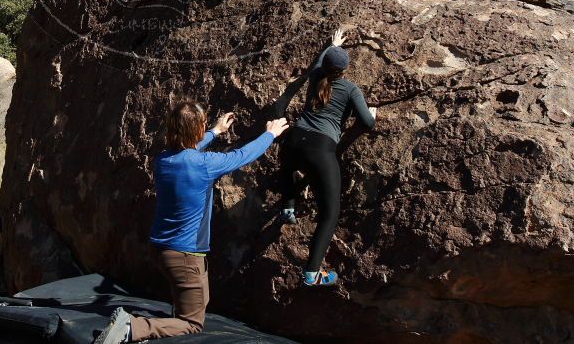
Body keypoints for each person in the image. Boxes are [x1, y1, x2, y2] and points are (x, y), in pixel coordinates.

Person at [94, 101, 289, 344]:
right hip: (184, 255)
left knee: (197, 300)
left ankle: (160, 329)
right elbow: (242, 156)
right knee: (192, 322)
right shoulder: (204, 165)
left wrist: (215, 132)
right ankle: (130, 328)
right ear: (196, 130)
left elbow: (187, 148)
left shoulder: (163, 159)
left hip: (161, 249)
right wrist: (270, 134)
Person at [278, 27, 377, 287]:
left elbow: (320, 64)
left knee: (287, 165)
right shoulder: (350, 89)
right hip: (320, 150)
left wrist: (331, 46)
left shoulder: (315, 78)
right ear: (345, 69)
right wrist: (373, 115)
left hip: (294, 140)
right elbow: (366, 122)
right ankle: (312, 274)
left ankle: (287, 207)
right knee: (330, 213)